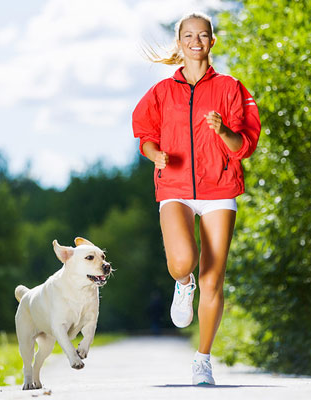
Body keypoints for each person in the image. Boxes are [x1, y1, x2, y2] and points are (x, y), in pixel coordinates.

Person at [132, 12, 261, 385]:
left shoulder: (231, 88)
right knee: (183, 263)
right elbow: (145, 134)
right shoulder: (161, 92)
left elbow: (244, 147)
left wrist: (223, 131)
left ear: (212, 42)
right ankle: (181, 284)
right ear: (179, 42)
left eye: (202, 35)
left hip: (219, 188)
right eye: (188, 35)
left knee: (214, 278)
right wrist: (154, 154)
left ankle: (203, 358)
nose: (195, 41)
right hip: (174, 187)